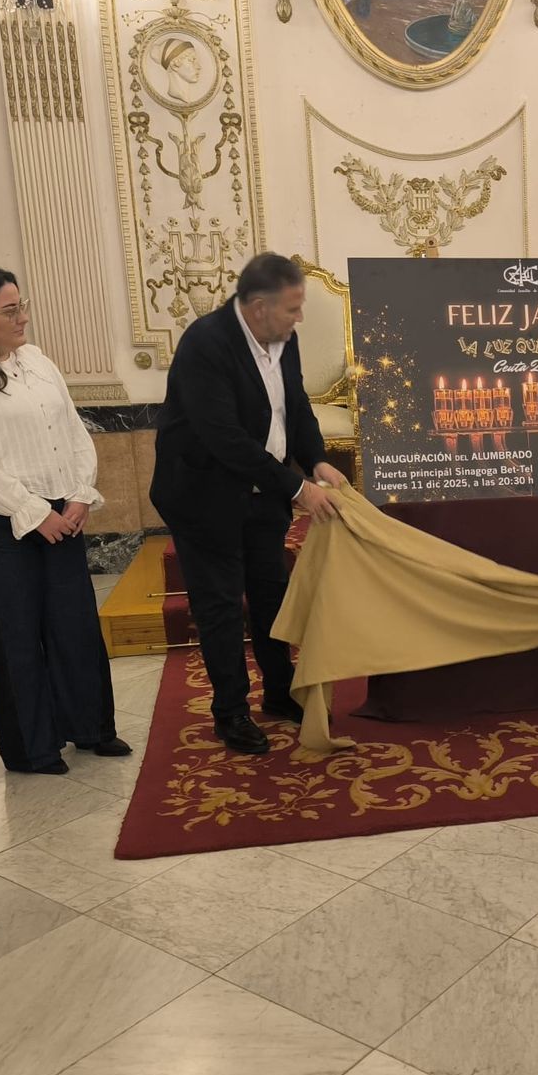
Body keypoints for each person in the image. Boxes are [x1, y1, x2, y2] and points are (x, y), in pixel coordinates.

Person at [0, 266, 127, 775]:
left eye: (21, 305)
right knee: (16, 638)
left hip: (61, 512)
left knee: (74, 625)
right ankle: (33, 747)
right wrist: (32, 514)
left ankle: (92, 727)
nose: (23, 318)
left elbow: (72, 432)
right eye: (10, 311)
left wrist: (78, 495)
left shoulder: (34, 360)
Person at [150, 252, 348, 754]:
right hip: (203, 497)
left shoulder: (285, 340)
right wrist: (299, 488)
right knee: (219, 607)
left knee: (271, 598)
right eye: (292, 309)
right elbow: (226, 439)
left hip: (261, 497)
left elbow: (296, 406)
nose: (299, 319)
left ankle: (280, 695)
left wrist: (317, 460)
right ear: (259, 307)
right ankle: (231, 713)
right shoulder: (206, 344)